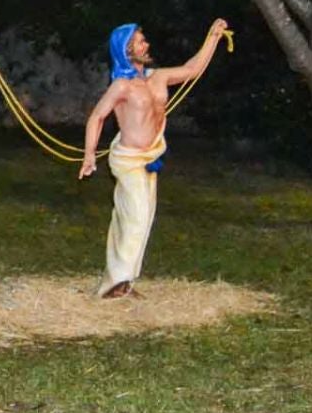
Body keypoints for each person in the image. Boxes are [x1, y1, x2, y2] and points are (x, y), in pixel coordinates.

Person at [78, 19, 229, 299]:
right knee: (134, 216)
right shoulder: (121, 86)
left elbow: (192, 69)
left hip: (151, 156)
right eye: (139, 41)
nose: (145, 43)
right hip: (129, 159)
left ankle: (123, 281)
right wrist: (89, 155)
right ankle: (114, 285)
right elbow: (97, 117)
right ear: (125, 49)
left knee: (142, 218)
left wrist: (213, 37)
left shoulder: (157, 77)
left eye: (144, 39)